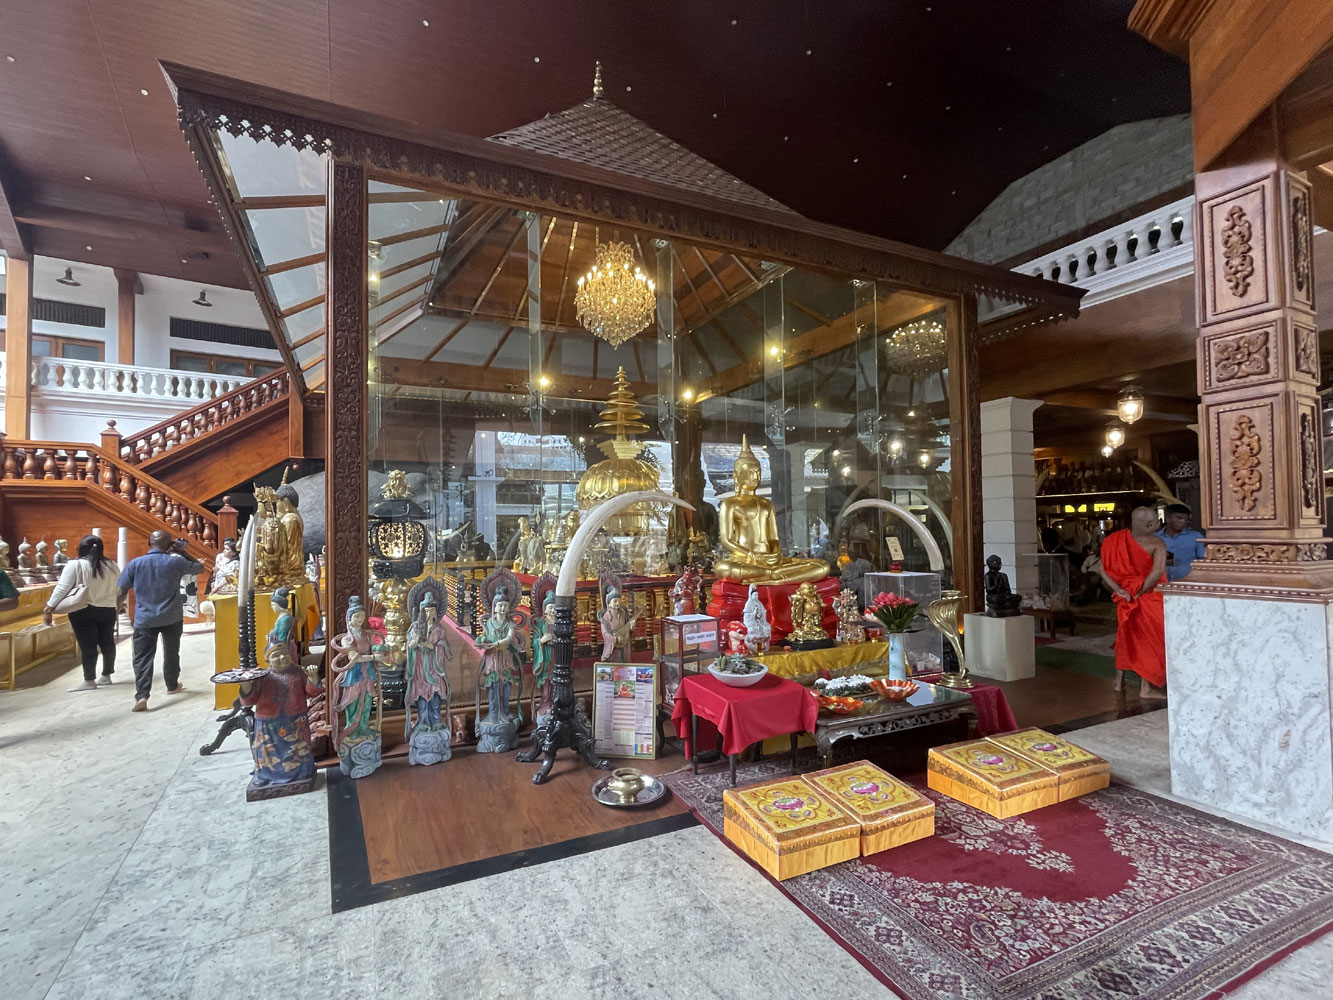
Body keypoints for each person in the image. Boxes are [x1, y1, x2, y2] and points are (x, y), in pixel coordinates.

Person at [117, 531, 206, 712]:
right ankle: (172, 685)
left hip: (144, 618)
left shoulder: (135, 563)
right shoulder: (176, 562)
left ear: (149, 542)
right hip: (171, 616)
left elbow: (121, 591)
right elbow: (199, 567)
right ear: (169, 544)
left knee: (142, 657)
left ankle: (142, 695)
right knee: (172, 652)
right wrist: (182, 551)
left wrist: (116, 609)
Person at [1095, 507, 1168, 700]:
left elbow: (1102, 568)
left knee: (1125, 637)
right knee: (1150, 641)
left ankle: (1118, 682)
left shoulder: (1113, 540)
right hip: (1148, 597)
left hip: (1125, 596)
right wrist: (1140, 591)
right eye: (1156, 522)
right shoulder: (1156, 542)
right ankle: (1146, 687)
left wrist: (1118, 590)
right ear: (1150, 524)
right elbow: (1157, 572)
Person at [44, 535, 122, 691]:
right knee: (107, 642)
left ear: (81, 548)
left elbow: (62, 588)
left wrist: (49, 607)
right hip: (108, 609)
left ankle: (89, 681)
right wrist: (119, 604)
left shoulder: (75, 565)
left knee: (88, 645)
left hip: (83, 610)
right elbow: (119, 587)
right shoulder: (113, 565)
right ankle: (106, 676)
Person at [1157, 503, 1204, 582]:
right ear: (1167, 519)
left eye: (1186, 519)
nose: (1183, 522)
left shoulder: (1196, 537)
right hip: (1160, 583)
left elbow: (1203, 560)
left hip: (1188, 583)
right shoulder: (1155, 538)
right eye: (1179, 518)